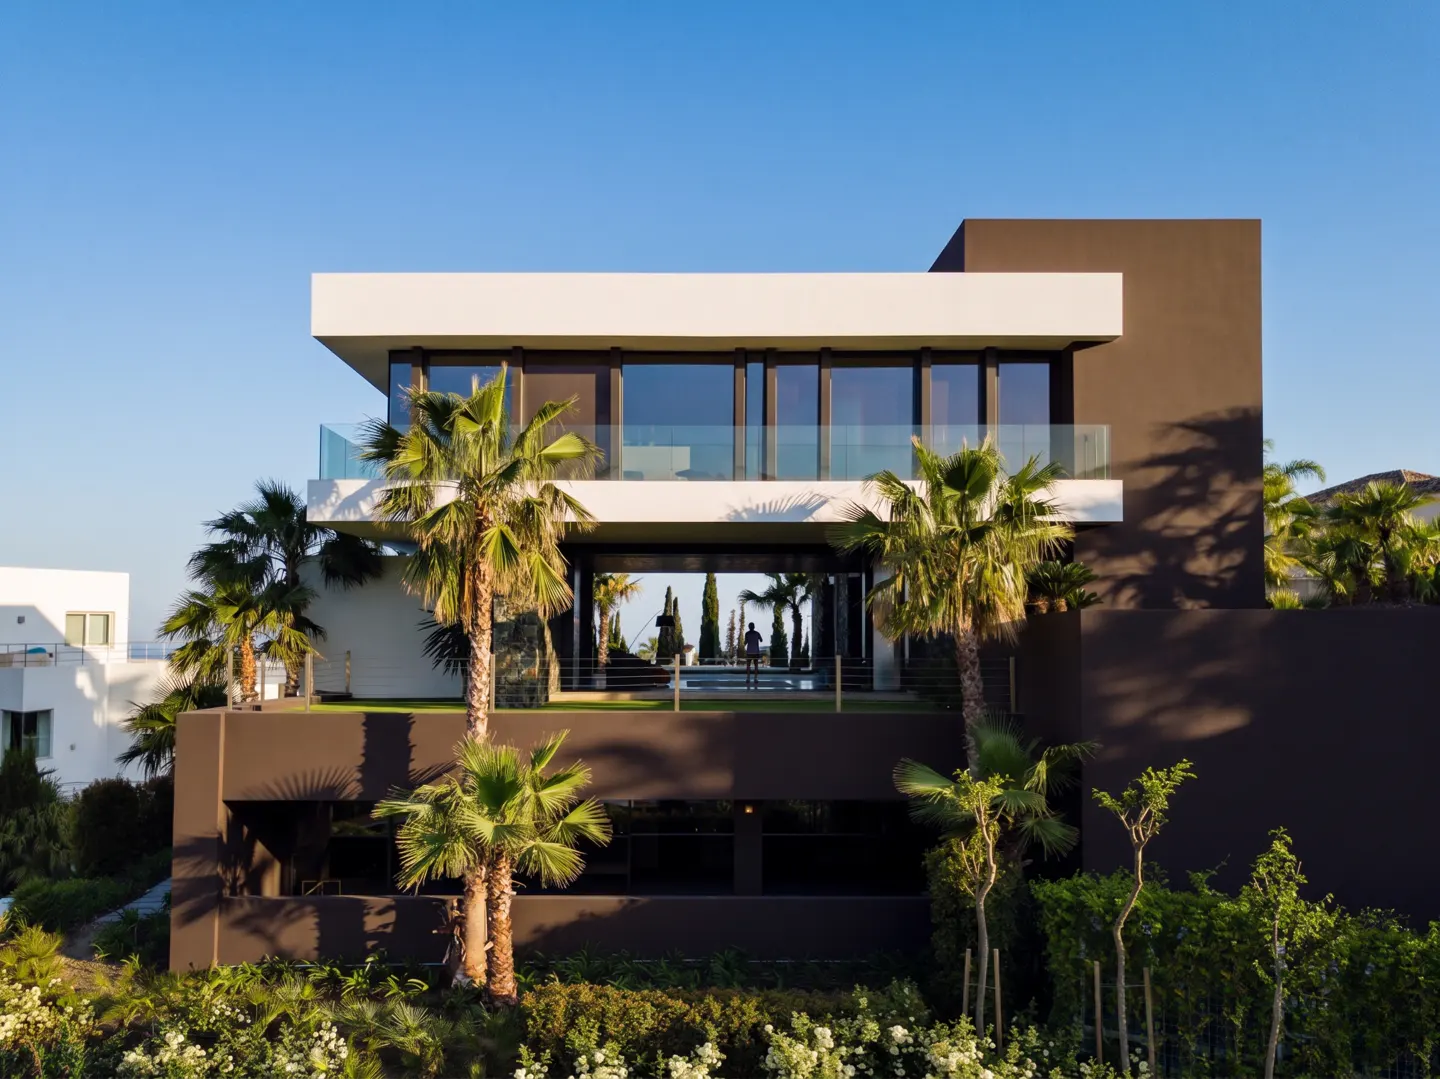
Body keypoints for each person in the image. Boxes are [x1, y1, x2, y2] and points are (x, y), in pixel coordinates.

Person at [743, 621, 763, 689]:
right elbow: (761, 640)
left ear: (749, 627)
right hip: (756, 652)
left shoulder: (747, 633)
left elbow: (745, 643)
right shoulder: (757, 633)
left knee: (748, 666)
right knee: (756, 666)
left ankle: (748, 678)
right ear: (754, 627)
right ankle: (755, 678)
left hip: (749, 652)